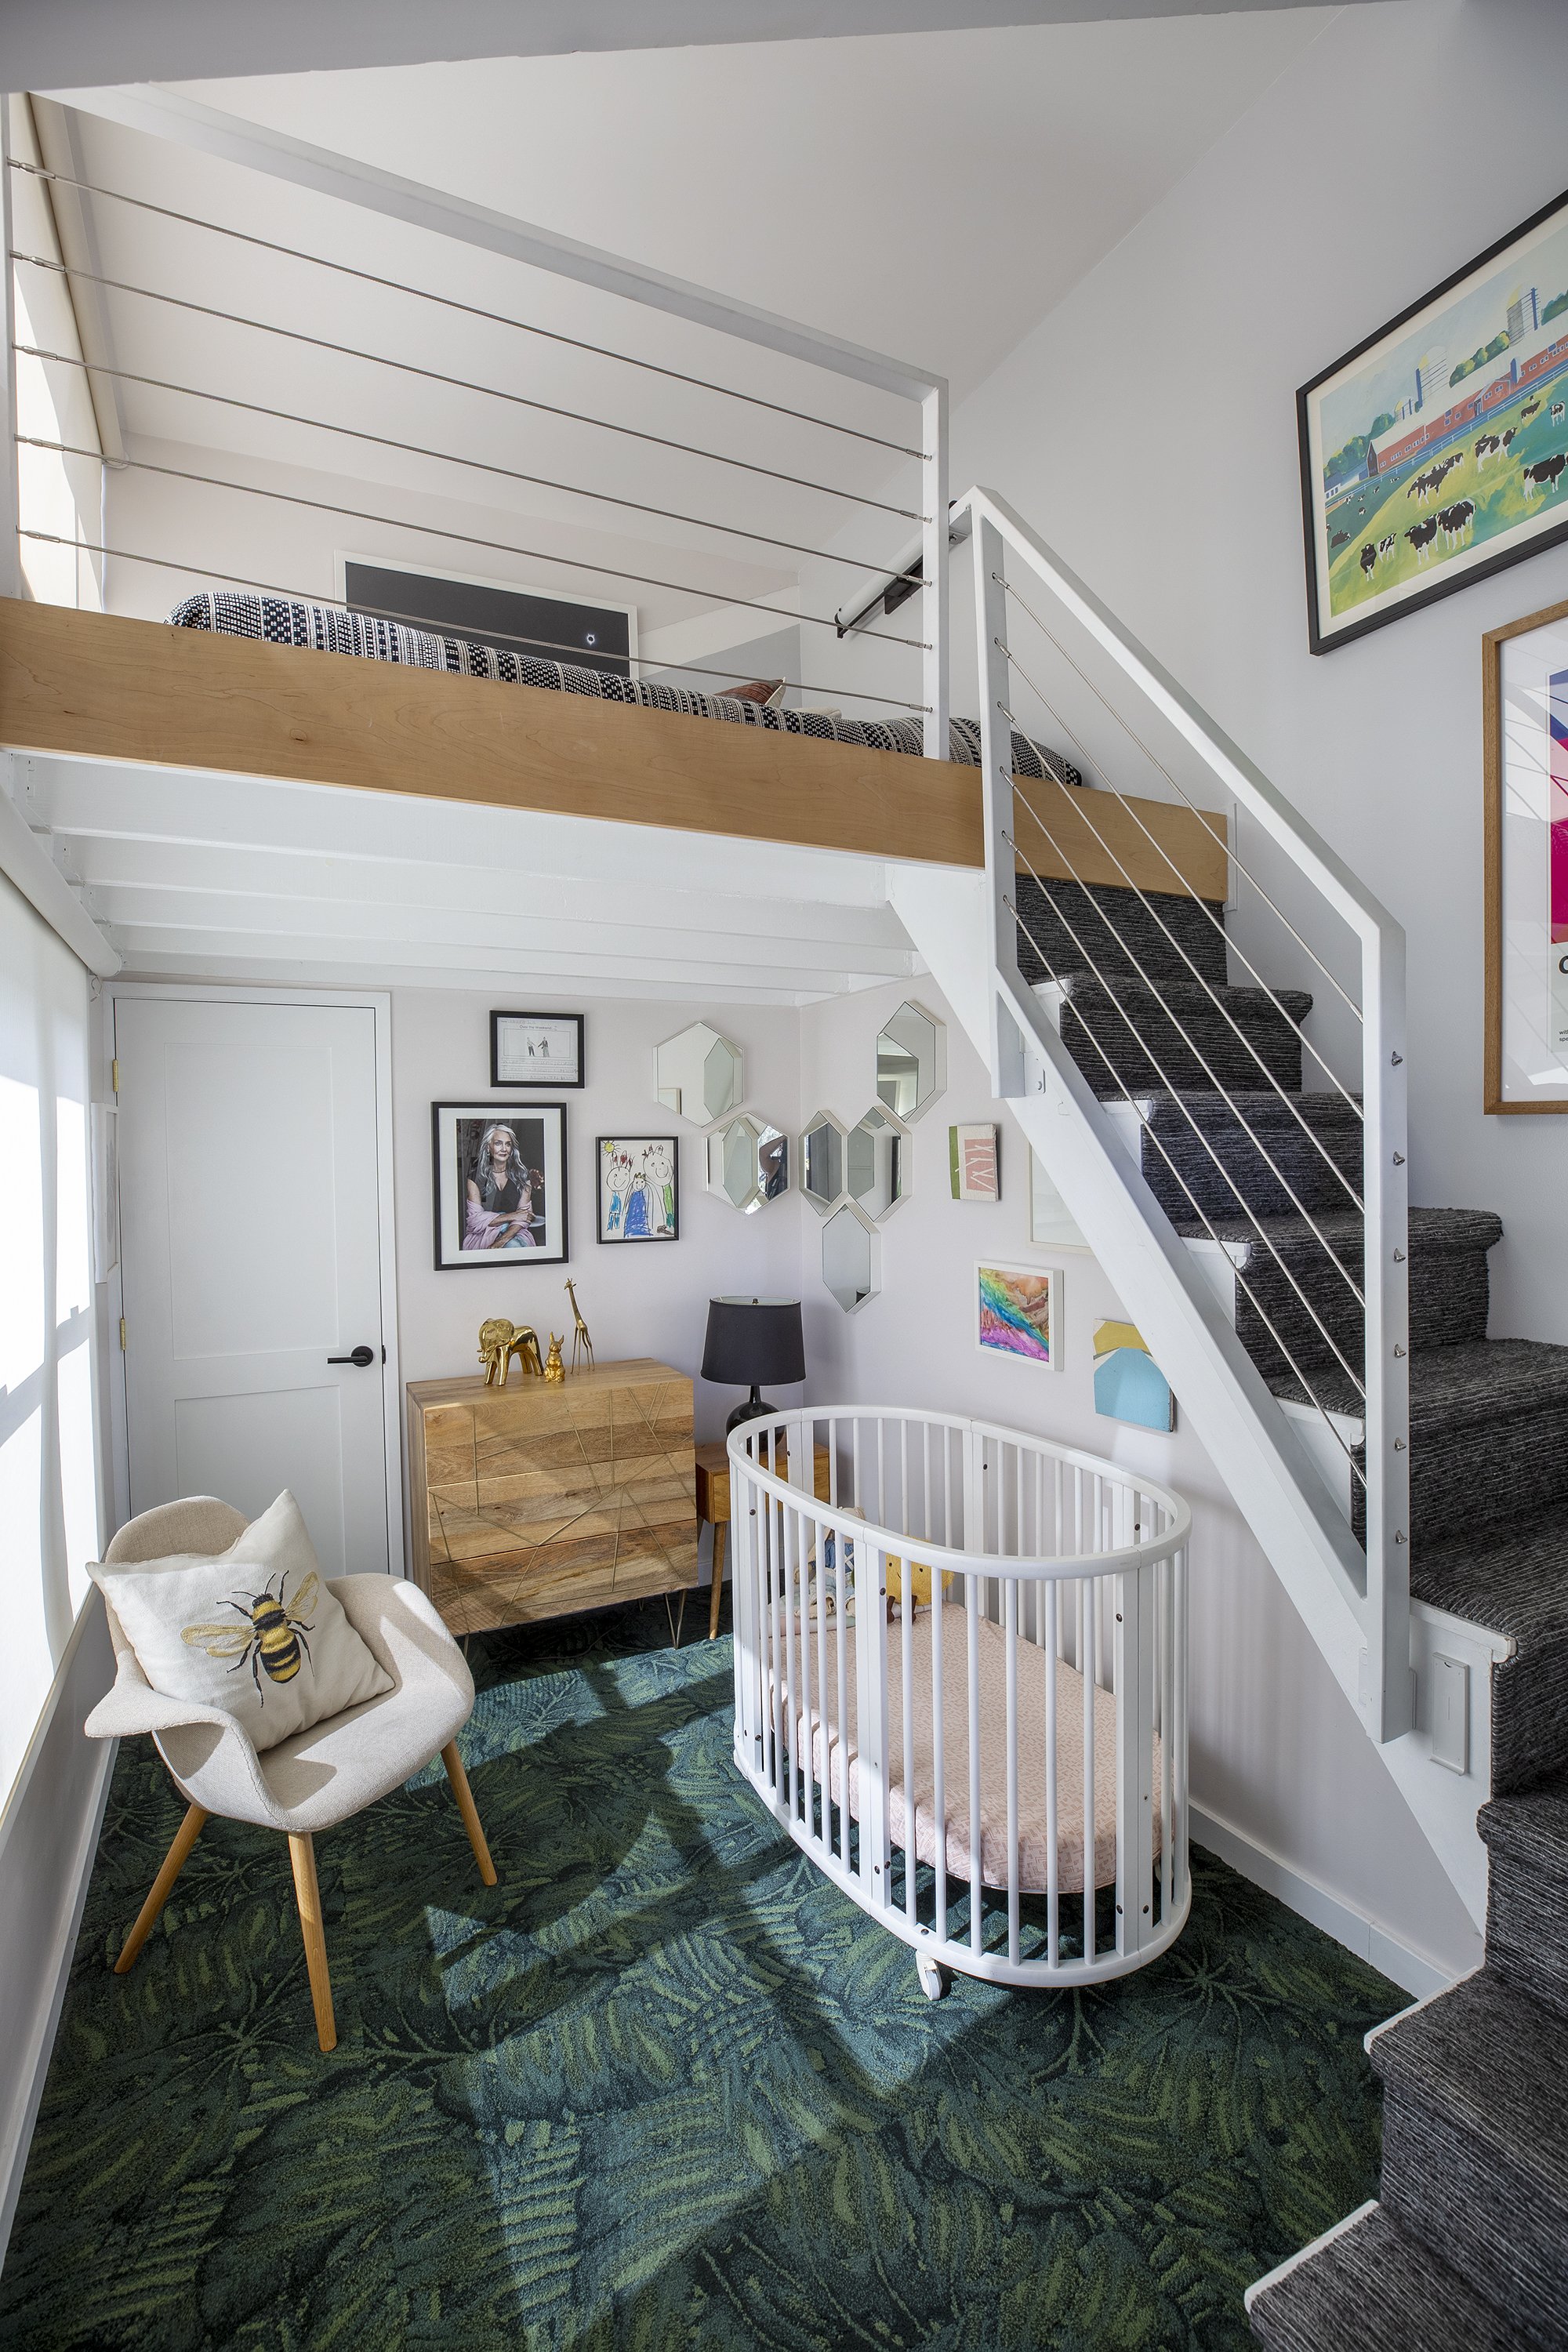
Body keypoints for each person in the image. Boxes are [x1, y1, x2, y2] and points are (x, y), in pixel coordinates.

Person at [463, 1123, 537, 1248]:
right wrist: (513, 1215)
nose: (504, 1149)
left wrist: (501, 1241)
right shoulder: (475, 1178)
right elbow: (475, 1220)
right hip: (483, 1234)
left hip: (515, 1232)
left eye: (508, 1144)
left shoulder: (522, 1176)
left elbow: (524, 1218)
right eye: (498, 1143)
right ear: (488, 1147)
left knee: (513, 1246)